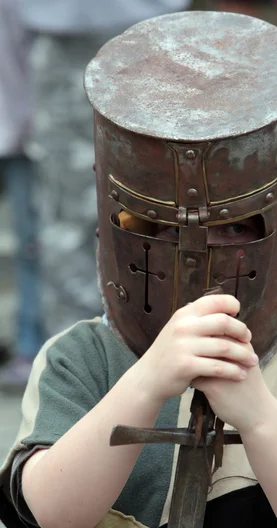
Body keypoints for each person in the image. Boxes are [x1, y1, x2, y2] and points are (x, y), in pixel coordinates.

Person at [0, 11, 277, 528]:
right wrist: (147, 382)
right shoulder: (81, 358)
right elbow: (52, 513)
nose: (197, 253)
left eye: (237, 227)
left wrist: (259, 413)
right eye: (152, 226)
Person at [20, 0, 191, 339]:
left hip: (154, 36)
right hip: (64, 38)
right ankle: (74, 354)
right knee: (67, 218)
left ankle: (164, 342)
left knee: (165, 203)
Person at [0, 0, 44, 390]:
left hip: (28, 138)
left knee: (34, 245)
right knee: (29, 245)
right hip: (16, 136)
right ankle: (27, 342)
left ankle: (31, 344)